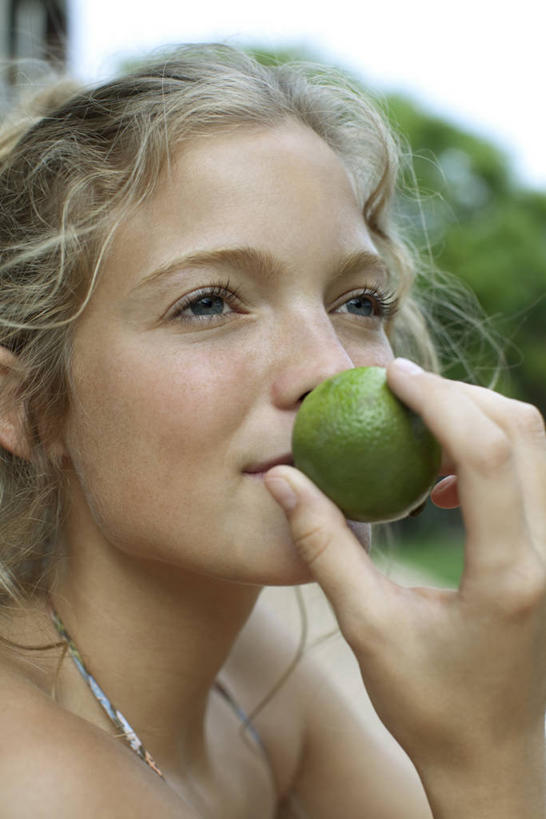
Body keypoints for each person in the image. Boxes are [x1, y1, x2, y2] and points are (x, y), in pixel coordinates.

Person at [0, 44, 544, 818]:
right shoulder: (41, 787)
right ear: (26, 407)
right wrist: (489, 757)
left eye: (357, 301)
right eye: (210, 303)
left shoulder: (247, 679)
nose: (329, 367)